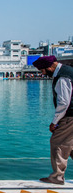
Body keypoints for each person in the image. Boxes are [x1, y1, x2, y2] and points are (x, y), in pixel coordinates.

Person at [33, 55, 73, 185]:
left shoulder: (62, 77)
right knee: (70, 145)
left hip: (70, 116)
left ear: (49, 67)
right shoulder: (68, 71)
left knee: (58, 143)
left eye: (42, 71)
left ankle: (57, 177)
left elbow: (64, 103)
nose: (42, 74)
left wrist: (54, 122)